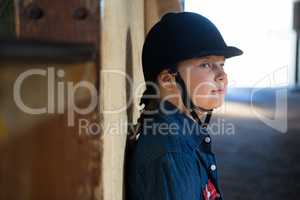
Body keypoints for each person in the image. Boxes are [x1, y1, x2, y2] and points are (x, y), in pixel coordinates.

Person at [125, 11, 243, 200]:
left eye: (222, 64)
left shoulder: (178, 136)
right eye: (206, 64)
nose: (222, 76)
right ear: (167, 80)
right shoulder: (174, 155)